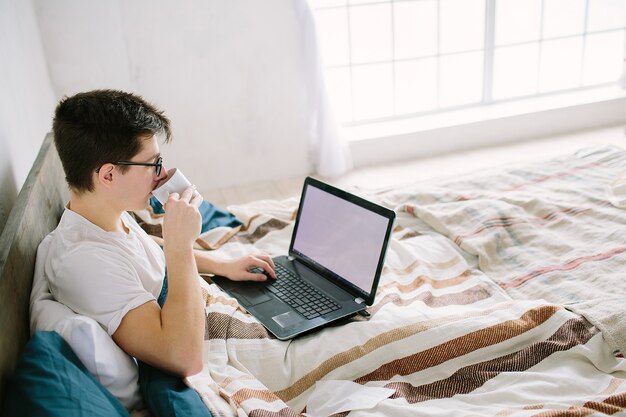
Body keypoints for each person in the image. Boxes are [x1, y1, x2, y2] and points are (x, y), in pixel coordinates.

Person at [45, 89, 276, 379]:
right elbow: (184, 358)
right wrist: (180, 244)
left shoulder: (103, 215)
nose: (162, 172)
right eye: (152, 163)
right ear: (108, 175)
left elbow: (142, 248)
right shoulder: (85, 263)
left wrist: (222, 264)